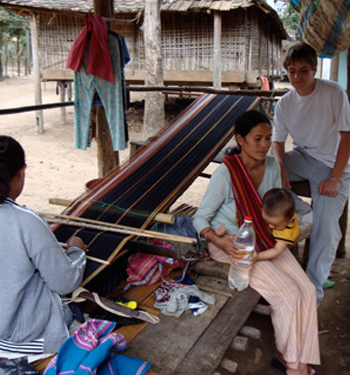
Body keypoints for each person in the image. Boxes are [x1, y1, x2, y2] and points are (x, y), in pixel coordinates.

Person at [193, 110, 320, 375]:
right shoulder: (226, 174)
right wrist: (221, 241)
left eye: (268, 138)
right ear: (240, 139)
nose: (264, 145)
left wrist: (288, 227)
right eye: (257, 138)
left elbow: (275, 205)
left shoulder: (272, 166)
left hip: (265, 237)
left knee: (306, 290)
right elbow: (200, 219)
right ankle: (293, 365)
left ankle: (297, 357)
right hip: (233, 244)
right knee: (286, 294)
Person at [272, 41, 350, 303]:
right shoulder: (284, 103)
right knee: (266, 170)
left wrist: (336, 178)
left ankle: (313, 290)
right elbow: (277, 142)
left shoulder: (333, 93)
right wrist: (281, 167)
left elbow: (347, 137)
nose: (297, 77)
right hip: (304, 157)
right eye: (292, 71)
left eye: (303, 70)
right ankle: (303, 213)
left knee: (326, 231)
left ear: (315, 70)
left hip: (336, 165)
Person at [0, 135, 87, 354]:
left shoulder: (25, 222)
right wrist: (76, 250)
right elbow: (65, 282)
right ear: (21, 172)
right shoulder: (26, 221)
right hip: (23, 338)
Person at [258, 188, 299, 260]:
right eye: (267, 221)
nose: (270, 226)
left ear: (290, 219)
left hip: (280, 247)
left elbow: (276, 251)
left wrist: (257, 256)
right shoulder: (284, 214)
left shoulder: (286, 233)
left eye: (276, 225)